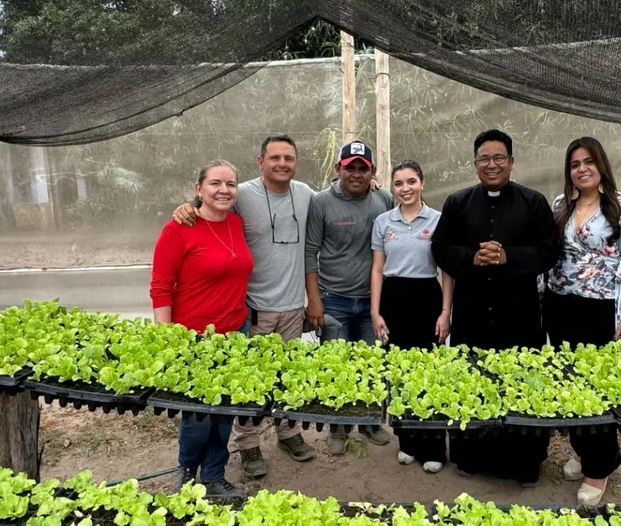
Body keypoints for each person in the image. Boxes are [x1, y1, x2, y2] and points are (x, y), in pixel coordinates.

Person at [172, 134, 317, 478]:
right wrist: (187, 206)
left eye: (289, 158)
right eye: (275, 157)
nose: (282, 163)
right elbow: (211, 209)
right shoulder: (243, 195)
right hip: (253, 308)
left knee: (287, 376)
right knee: (250, 381)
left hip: (294, 306)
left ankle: (289, 433)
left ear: (296, 163)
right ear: (261, 161)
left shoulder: (307, 194)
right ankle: (248, 441)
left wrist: (372, 187)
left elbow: (337, 197)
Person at [430, 129, 561, 485]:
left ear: (512, 162)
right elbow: (440, 249)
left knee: (521, 387)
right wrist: (472, 257)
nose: (491, 164)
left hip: (518, 315)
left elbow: (550, 250)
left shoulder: (533, 202)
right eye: (484, 158)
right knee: (472, 384)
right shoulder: (458, 203)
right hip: (472, 314)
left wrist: (508, 257)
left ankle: (523, 464)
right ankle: (473, 458)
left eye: (499, 157)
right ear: (475, 165)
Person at [544, 136, 621, 508]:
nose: (581, 169)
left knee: (597, 387)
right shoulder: (561, 205)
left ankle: (600, 466)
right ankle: (580, 450)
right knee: (571, 385)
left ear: (601, 165)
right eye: (575, 164)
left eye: (588, 162)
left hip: (601, 307)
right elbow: (550, 254)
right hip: (561, 304)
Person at [151, 161, 252, 501]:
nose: (224, 190)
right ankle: (186, 472)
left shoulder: (236, 223)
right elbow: (161, 287)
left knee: (225, 412)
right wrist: (166, 340)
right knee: (197, 417)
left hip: (236, 331)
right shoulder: (178, 229)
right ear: (199, 189)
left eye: (230, 184)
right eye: (215, 183)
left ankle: (214, 477)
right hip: (193, 336)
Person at [305, 140, 396, 453]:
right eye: (350, 167)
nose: (356, 173)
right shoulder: (321, 203)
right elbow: (310, 251)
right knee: (336, 367)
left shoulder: (383, 199)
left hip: (371, 302)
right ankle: (338, 427)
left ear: (372, 171)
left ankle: (370, 422)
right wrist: (314, 298)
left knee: (369, 365)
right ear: (338, 169)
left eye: (363, 168)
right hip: (334, 299)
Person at [370, 160, 453, 473]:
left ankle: (433, 446)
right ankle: (406, 441)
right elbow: (377, 269)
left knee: (428, 375)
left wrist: (446, 311)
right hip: (393, 300)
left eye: (411, 182)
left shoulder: (438, 220)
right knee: (399, 374)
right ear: (392, 188)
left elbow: (446, 270)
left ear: (423, 183)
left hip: (427, 300)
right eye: (399, 183)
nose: (405, 189)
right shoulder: (383, 222)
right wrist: (375, 311)